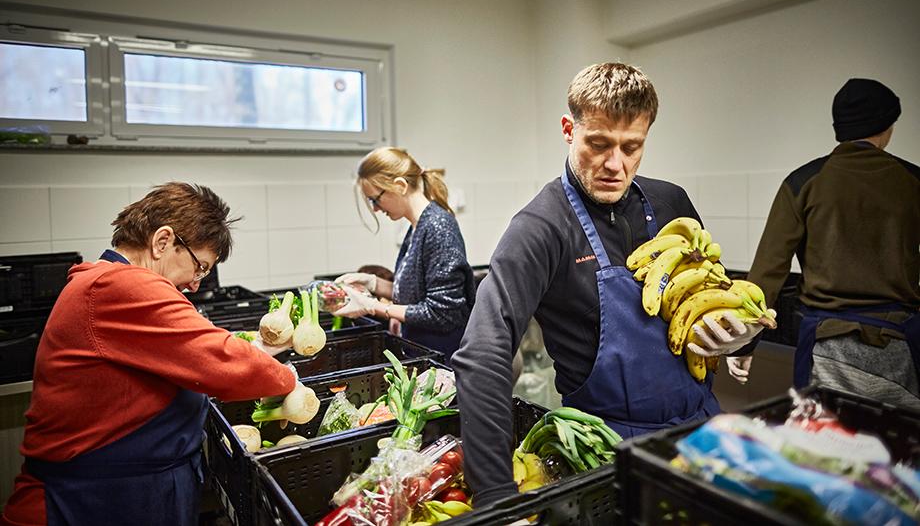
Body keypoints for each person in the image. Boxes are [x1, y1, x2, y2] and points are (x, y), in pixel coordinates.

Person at [451, 62, 763, 506]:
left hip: (703, 431)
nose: (615, 165)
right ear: (568, 129)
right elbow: (484, 354)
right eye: (598, 144)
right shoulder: (540, 227)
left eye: (632, 147)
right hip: (605, 452)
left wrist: (738, 338)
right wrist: (497, 496)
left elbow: (709, 295)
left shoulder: (670, 202)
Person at [1, 183, 300, 526]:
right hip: (89, 500)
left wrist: (254, 349)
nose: (196, 283)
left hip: (119, 489)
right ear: (162, 242)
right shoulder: (123, 286)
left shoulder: (104, 281)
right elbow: (224, 363)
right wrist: (286, 378)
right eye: (199, 266)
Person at [747, 78, 919, 409]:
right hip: (901, 347)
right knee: (902, 449)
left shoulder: (803, 182)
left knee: (823, 448)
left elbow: (769, 270)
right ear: (887, 127)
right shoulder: (912, 181)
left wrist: (744, 346)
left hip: (828, 347)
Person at [333, 147, 476, 362]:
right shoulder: (417, 227)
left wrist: (375, 307)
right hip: (423, 352)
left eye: (376, 199)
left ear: (400, 186)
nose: (376, 209)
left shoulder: (438, 227)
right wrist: (372, 283)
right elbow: (416, 294)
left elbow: (442, 313)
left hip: (445, 358)